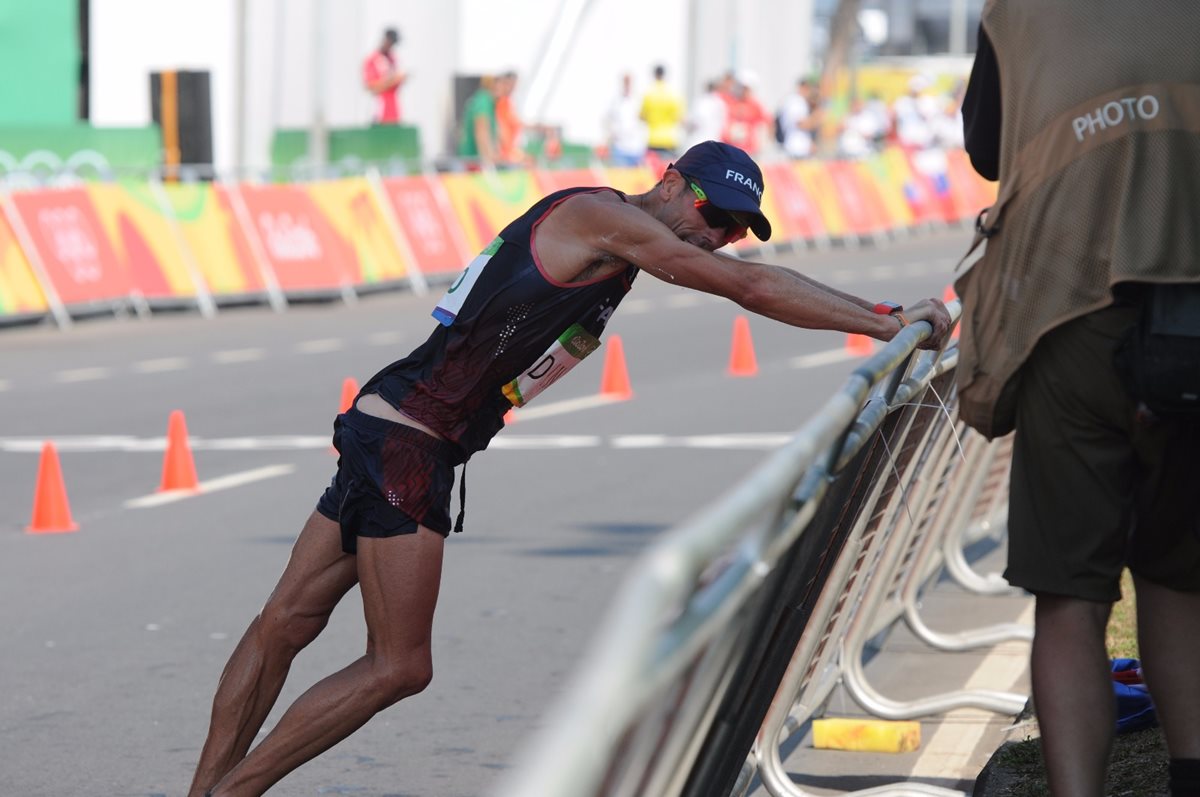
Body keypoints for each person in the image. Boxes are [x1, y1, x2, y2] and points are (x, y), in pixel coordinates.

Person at [188, 139, 951, 797]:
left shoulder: (613, 236)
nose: (717, 236)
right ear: (673, 183)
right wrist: (883, 319)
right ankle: (233, 790)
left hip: (386, 421)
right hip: (410, 444)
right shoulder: (604, 219)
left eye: (733, 228)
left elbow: (740, 271)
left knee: (285, 622)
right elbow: (748, 285)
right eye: (712, 216)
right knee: (399, 665)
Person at [957, 3, 1200, 796]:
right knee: (1179, 580)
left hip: (1071, 310)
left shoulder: (1015, 12)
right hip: (1193, 309)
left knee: (1070, 597)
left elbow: (987, 151)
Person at [361, 28, 406, 125]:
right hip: (379, 111)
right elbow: (371, 87)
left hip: (394, 112)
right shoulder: (372, 59)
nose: (392, 46)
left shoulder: (393, 59)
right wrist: (393, 80)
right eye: (391, 42)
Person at [639, 64, 685, 157]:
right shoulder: (673, 94)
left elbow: (642, 117)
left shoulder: (648, 93)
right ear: (664, 75)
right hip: (669, 140)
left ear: (654, 75)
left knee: (653, 170)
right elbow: (680, 118)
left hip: (653, 140)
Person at [722, 70, 771, 155]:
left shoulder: (755, 105)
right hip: (731, 148)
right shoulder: (729, 101)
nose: (742, 90)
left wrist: (764, 144)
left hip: (749, 150)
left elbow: (768, 122)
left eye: (745, 88)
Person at [605, 72, 648, 166]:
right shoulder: (616, 101)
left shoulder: (638, 99)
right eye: (625, 82)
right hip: (620, 147)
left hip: (636, 147)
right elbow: (608, 120)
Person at [457, 75, 501, 168]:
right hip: (473, 164)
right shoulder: (483, 100)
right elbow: (481, 132)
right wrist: (490, 160)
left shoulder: (487, 101)